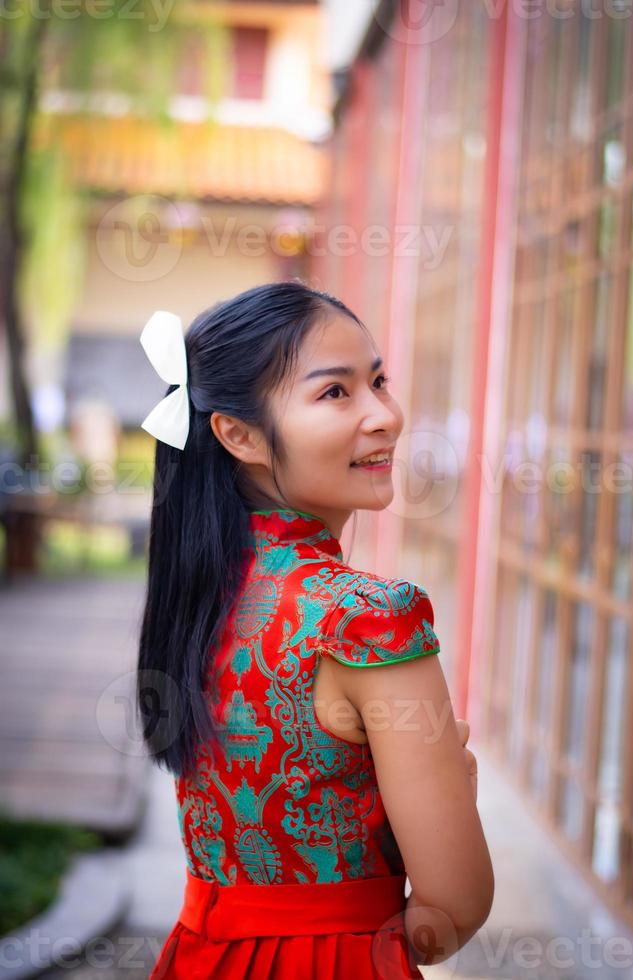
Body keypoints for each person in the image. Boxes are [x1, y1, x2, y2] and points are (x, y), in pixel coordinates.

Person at [137, 281, 494, 979]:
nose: (385, 416)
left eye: (379, 381)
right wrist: (454, 797)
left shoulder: (197, 601)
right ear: (237, 434)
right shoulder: (369, 621)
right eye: (336, 393)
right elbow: (452, 911)